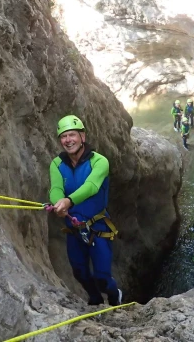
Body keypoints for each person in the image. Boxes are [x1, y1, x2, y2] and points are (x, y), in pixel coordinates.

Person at [49, 115, 122, 306]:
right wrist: (58, 203)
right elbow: (55, 188)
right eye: (63, 137)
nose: (68, 140)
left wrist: (68, 201)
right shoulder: (57, 164)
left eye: (72, 135)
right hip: (74, 230)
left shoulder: (99, 162)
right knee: (79, 272)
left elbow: (92, 186)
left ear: (83, 136)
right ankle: (95, 299)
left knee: (102, 277)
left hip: (97, 227)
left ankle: (115, 296)